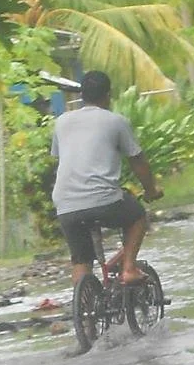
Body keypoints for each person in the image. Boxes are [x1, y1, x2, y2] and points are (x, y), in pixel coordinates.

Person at [51, 70, 162, 292]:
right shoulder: (116, 121)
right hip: (103, 199)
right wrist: (150, 190)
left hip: (65, 204)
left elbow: (59, 157)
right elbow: (137, 160)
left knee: (81, 260)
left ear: (82, 95)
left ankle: (84, 309)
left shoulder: (61, 122)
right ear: (108, 95)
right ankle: (129, 268)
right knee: (138, 216)